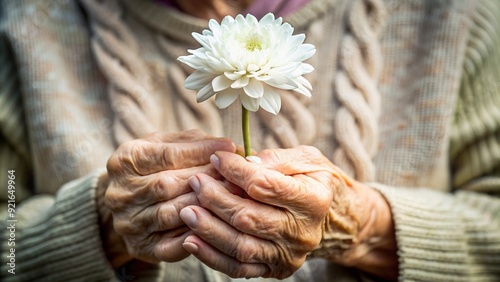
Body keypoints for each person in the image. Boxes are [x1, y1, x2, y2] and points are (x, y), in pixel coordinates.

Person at [1, 0, 499, 281]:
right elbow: (8, 243)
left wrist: (365, 226)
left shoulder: (459, 14)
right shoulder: (23, 26)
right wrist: (97, 227)